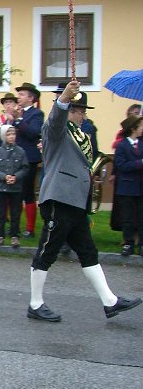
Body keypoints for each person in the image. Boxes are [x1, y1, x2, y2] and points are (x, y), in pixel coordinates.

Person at [28, 81, 141, 322]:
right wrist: (64, 99)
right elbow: (56, 118)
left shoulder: (82, 135)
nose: (83, 115)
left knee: (88, 252)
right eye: (80, 110)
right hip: (59, 198)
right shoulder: (55, 128)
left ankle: (110, 301)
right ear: (70, 109)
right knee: (47, 251)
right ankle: (35, 303)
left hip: (76, 201)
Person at [13, 82, 44, 238]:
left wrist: (18, 120)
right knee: (14, 194)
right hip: (12, 158)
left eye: (22, 94)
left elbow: (34, 133)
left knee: (27, 193)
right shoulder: (16, 113)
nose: (18, 97)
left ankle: (30, 228)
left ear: (31, 98)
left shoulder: (36, 114)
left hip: (28, 158)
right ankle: (15, 226)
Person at [0, 125, 28, 247]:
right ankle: (0, 235)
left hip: (16, 188)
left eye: (13, 134)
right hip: (1, 187)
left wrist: (16, 177)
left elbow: (25, 167)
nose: (11, 137)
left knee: (15, 212)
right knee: (1, 212)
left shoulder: (21, 151)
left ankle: (15, 235)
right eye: (8, 134)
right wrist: (4, 177)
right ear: (3, 136)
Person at [112, 114, 143, 256]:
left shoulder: (142, 143)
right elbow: (120, 165)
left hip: (140, 186)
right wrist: (139, 163)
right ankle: (128, 243)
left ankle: (141, 244)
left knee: (141, 217)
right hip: (126, 187)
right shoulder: (122, 145)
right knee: (128, 217)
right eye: (140, 126)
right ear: (133, 128)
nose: (142, 129)